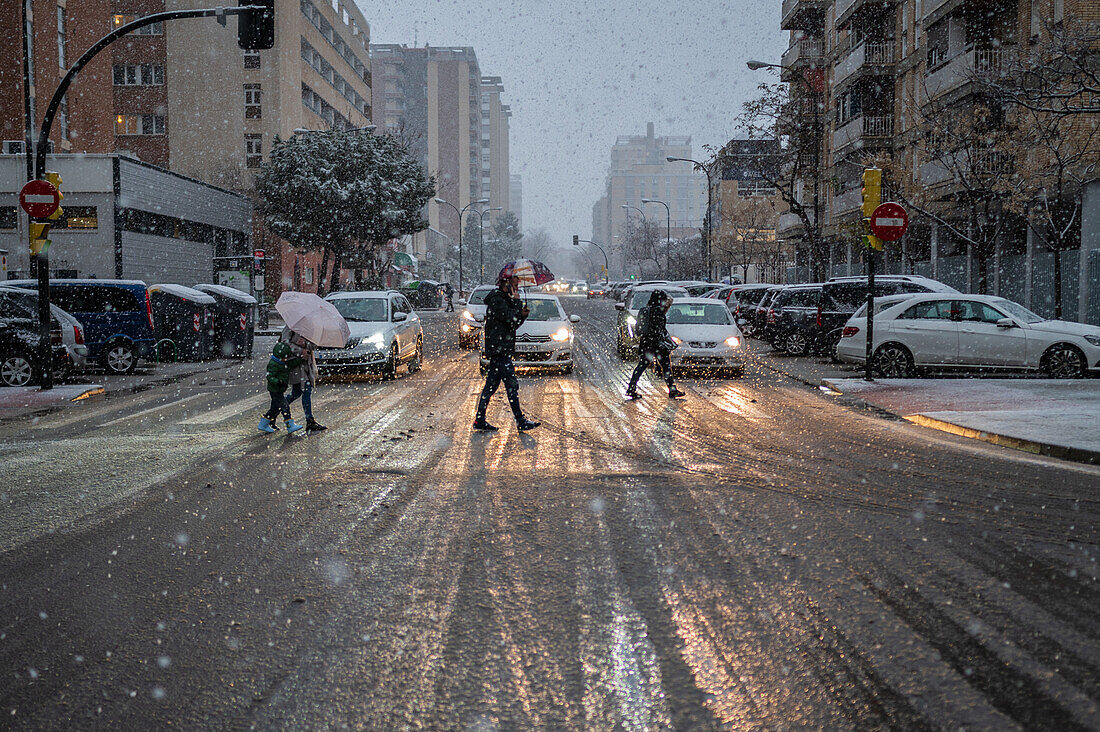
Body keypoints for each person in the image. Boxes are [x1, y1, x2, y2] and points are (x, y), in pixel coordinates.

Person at [473, 273, 541, 432]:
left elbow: (513, 324)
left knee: (491, 386)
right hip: (499, 350)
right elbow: (511, 319)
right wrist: (517, 304)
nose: (516, 288)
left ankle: (480, 419)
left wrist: (521, 315)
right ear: (506, 284)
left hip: (501, 348)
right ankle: (520, 420)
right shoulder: (498, 301)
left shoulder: (503, 300)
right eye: (515, 285)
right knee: (511, 385)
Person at [625, 290, 685, 400]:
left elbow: (638, 329)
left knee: (641, 366)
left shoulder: (643, 310)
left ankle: (631, 388)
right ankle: (672, 390)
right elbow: (660, 330)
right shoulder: (659, 312)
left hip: (646, 344)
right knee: (666, 368)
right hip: (658, 345)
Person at [281, 327, 326, 434]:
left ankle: (273, 412)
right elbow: (284, 344)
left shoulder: (310, 327)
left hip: (307, 366)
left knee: (296, 393)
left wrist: (305, 344)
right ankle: (310, 421)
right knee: (306, 390)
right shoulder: (291, 326)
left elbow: (314, 345)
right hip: (296, 365)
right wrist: (300, 350)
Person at [259, 341, 305, 434]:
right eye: (285, 357)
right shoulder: (274, 364)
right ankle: (290, 425)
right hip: (275, 390)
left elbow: (291, 364)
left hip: (279, 389)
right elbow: (269, 376)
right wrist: (278, 382)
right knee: (284, 406)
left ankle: (263, 424)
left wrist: (301, 358)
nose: (286, 359)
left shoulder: (281, 362)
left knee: (275, 408)